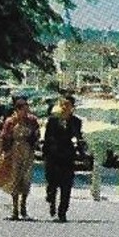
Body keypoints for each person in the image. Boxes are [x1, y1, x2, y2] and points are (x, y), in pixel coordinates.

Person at [42, 94, 84, 222]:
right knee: (52, 184)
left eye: (68, 105)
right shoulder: (53, 120)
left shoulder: (76, 122)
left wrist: (82, 154)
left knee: (66, 186)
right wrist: (46, 153)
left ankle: (62, 212)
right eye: (63, 104)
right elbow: (47, 138)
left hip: (67, 156)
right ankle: (51, 201)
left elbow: (78, 138)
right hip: (53, 156)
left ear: (72, 107)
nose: (65, 107)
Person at [0, 96, 40, 220]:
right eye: (24, 110)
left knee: (26, 179)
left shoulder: (32, 120)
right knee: (15, 180)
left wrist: (35, 139)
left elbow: (37, 134)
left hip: (28, 153)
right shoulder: (10, 121)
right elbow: (4, 137)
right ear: (17, 110)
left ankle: (23, 208)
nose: (26, 112)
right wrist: (2, 151)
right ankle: (15, 210)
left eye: (27, 109)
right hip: (14, 153)